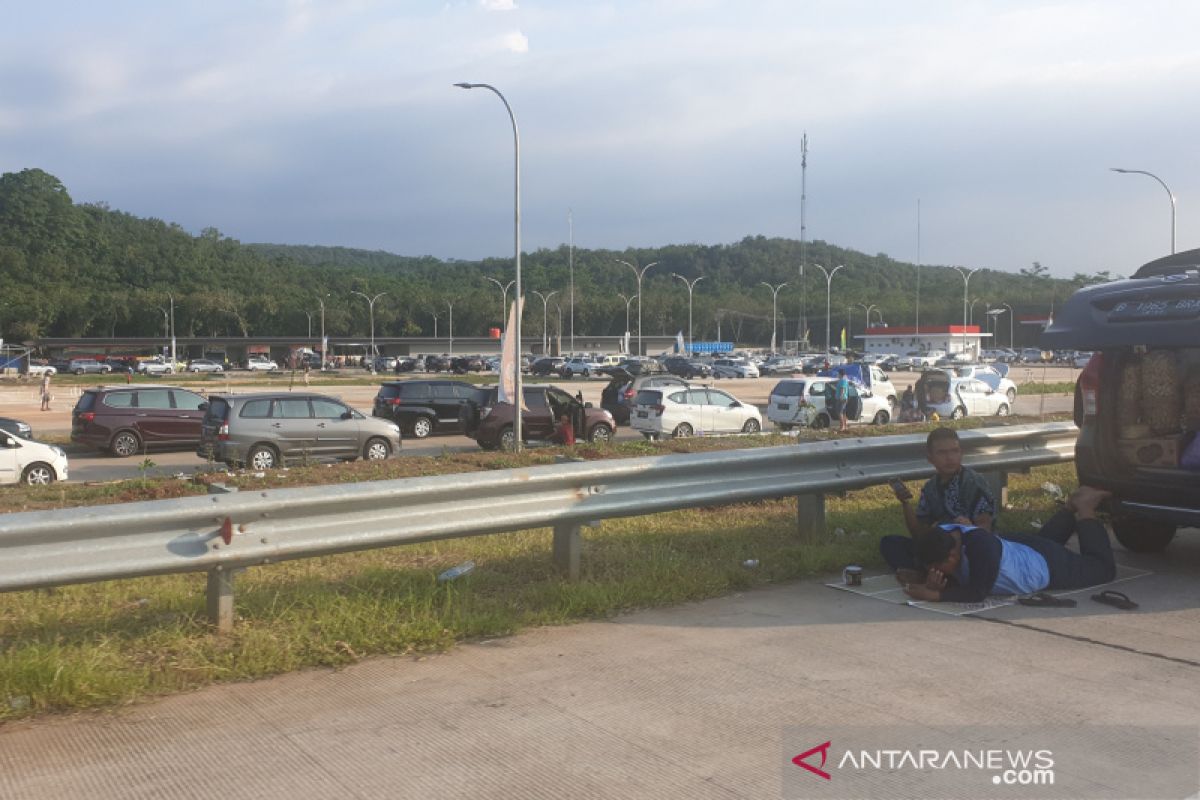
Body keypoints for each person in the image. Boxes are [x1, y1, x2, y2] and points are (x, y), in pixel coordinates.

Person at [899, 486, 1116, 602]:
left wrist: (935, 595)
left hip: (1045, 566)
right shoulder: (943, 535)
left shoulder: (980, 548)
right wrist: (937, 581)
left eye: (936, 568)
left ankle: (1085, 507)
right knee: (1045, 542)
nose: (934, 572)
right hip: (1021, 548)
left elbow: (977, 592)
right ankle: (1070, 506)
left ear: (952, 557)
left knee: (1102, 569)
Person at [878, 427, 997, 577]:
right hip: (938, 547)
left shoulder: (973, 482)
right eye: (942, 453)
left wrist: (969, 528)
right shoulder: (930, 488)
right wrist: (906, 504)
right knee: (891, 543)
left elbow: (985, 529)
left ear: (961, 453)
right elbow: (919, 533)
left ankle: (929, 573)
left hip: (968, 547)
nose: (950, 458)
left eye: (954, 451)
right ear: (930, 458)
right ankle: (931, 572)